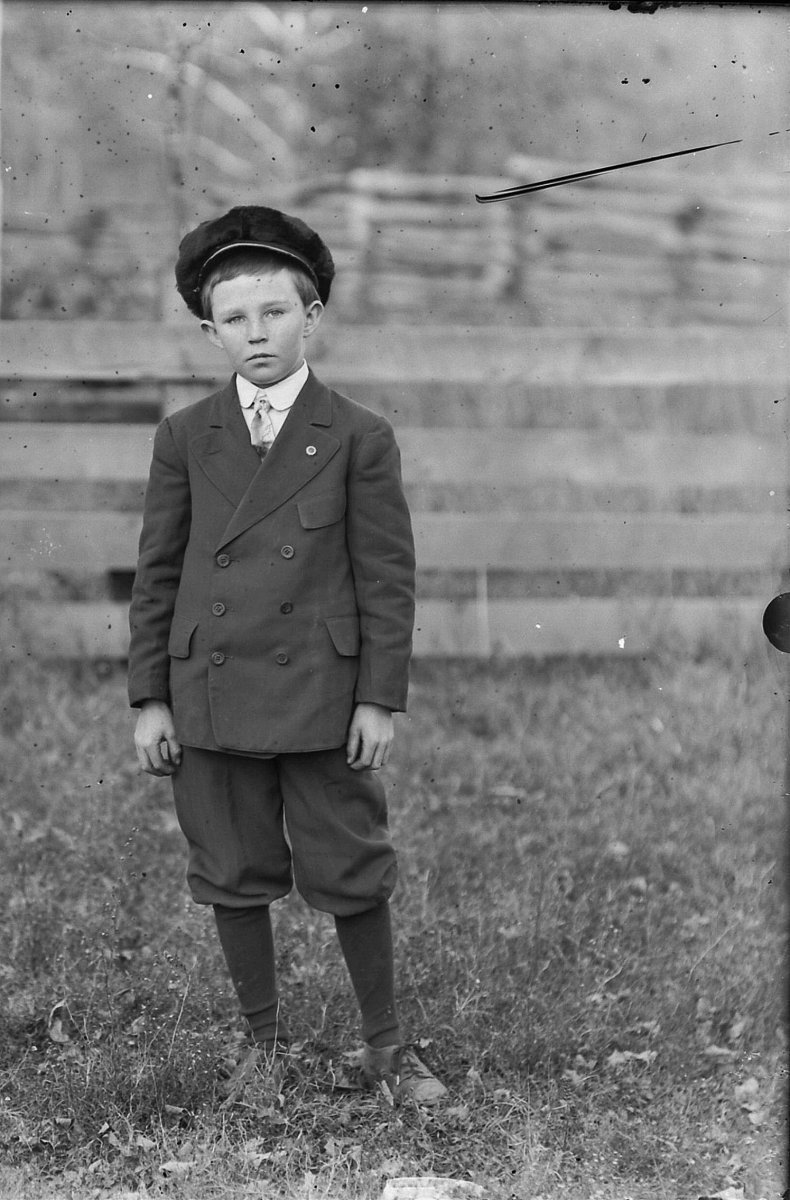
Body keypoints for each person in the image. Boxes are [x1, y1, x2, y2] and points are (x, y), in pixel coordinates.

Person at [127, 205, 446, 1107]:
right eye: (234, 318)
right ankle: (261, 1048)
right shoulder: (185, 436)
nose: (256, 333)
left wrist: (378, 698)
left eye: (274, 312)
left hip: (322, 693)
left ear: (311, 317)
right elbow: (157, 574)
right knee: (231, 867)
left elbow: (387, 578)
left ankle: (386, 1047)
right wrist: (149, 699)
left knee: (351, 865)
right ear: (209, 331)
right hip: (211, 689)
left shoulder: (358, 434)